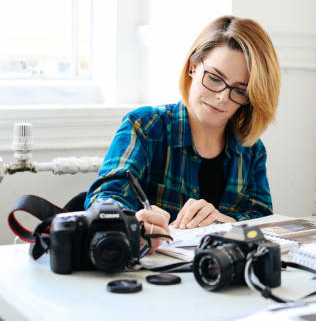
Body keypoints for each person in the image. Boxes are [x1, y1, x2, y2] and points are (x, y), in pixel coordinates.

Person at [84, 16, 281, 252]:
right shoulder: (145, 126)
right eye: (214, 78)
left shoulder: (251, 150)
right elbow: (105, 197)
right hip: (149, 267)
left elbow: (263, 218)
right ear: (193, 66)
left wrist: (223, 221)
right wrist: (134, 222)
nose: (222, 97)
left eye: (240, 91)